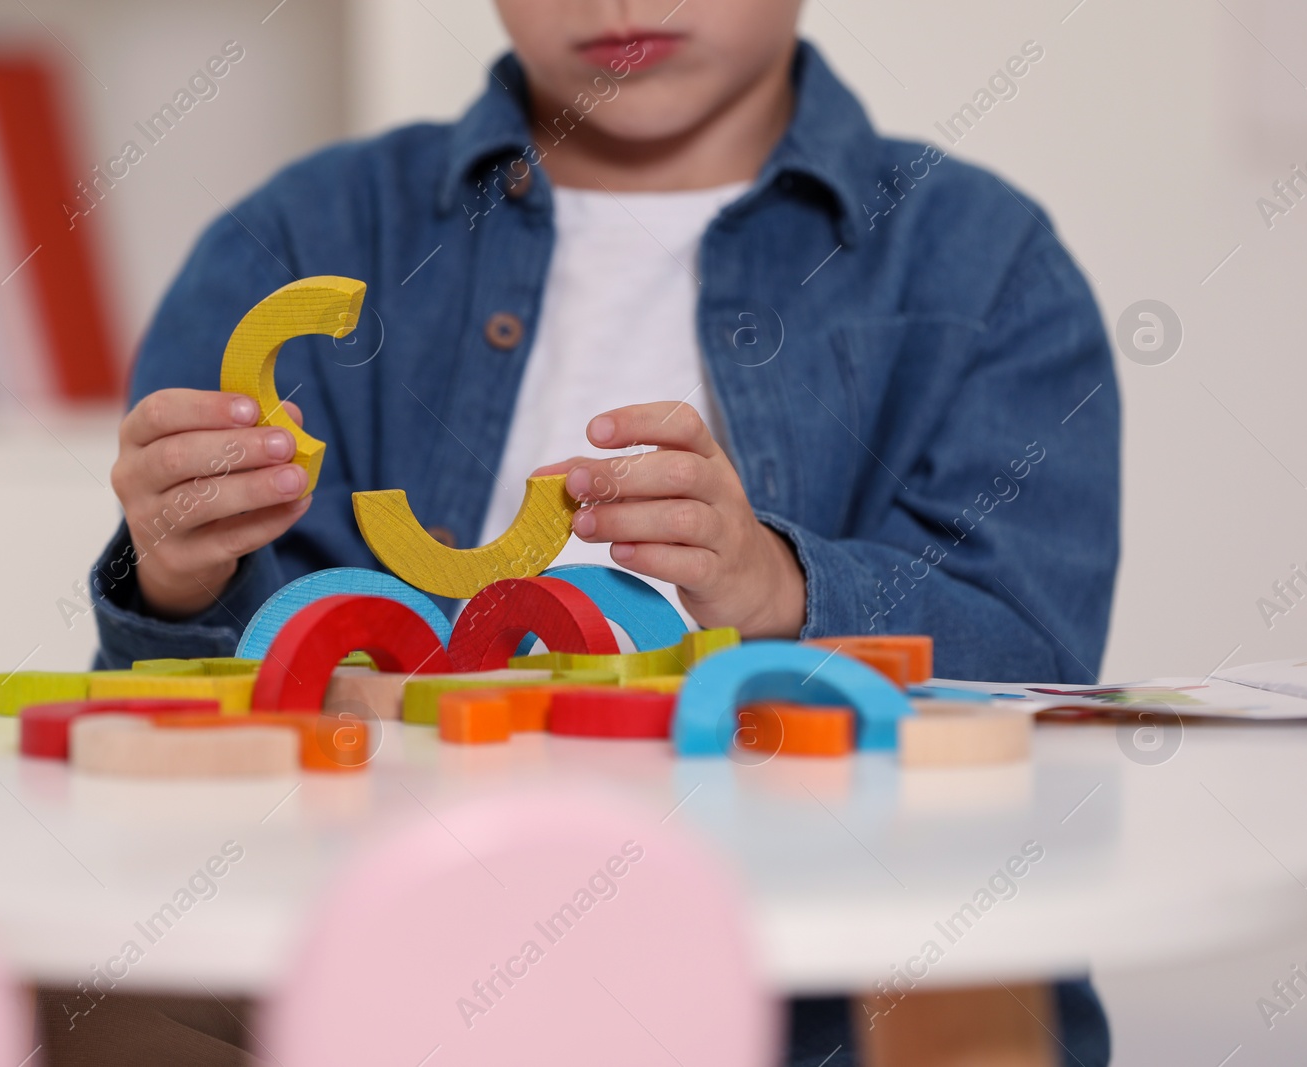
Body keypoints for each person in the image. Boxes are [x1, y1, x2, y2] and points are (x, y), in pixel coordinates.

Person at [90, 2, 1118, 1062]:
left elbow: (1030, 676)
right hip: (390, 976)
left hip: (827, 1002)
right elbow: (174, 743)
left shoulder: (986, 263)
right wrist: (178, 578)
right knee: (79, 980)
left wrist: (779, 589)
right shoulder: (299, 236)